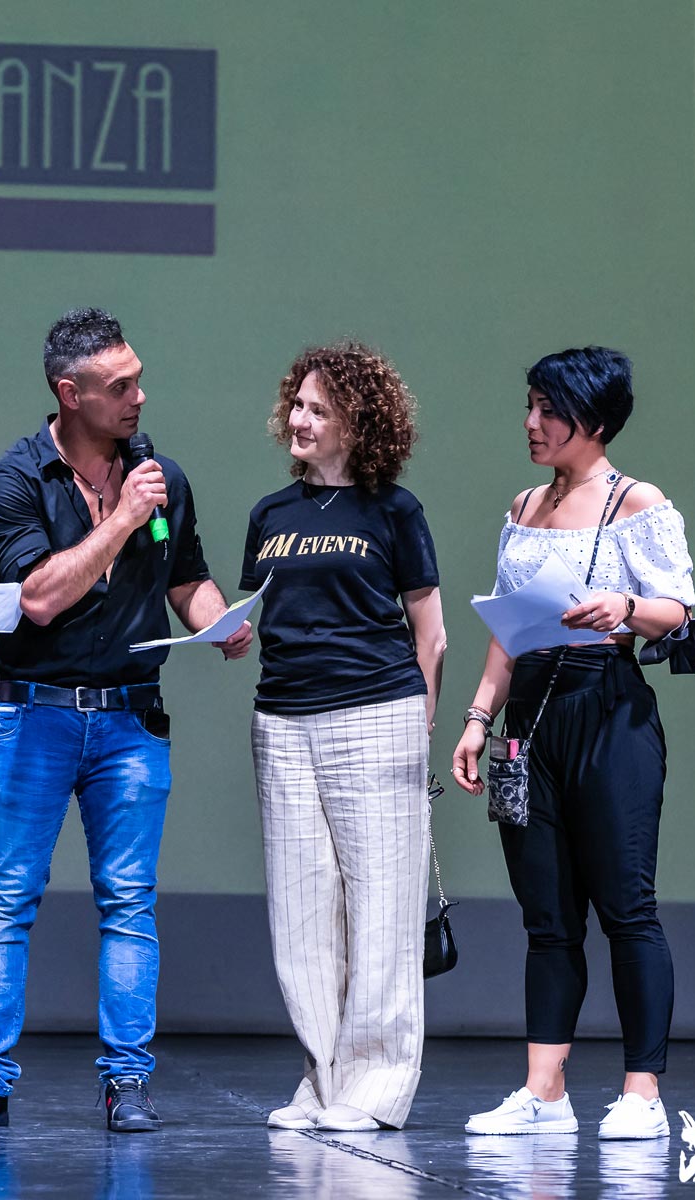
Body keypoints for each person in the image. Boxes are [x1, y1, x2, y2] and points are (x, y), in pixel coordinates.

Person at [0, 308, 251, 1133]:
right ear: (69, 394)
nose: (139, 397)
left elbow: (186, 576)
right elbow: (40, 595)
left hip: (130, 723)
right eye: (120, 386)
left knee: (130, 903)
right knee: (7, 901)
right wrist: (121, 518)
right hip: (36, 717)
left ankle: (127, 1083)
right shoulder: (13, 481)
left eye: (139, 379)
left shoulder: (160, 476)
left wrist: (219, 619)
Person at [451, 346, 695, 1140]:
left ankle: (642, 1094)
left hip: (606, 707)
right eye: (529, 406)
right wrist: (479, 717)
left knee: (627, 906)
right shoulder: (524, 505)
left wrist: (625, 605)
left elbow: (677, 609)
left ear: (593, 419)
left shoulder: (635, 501)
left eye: (549, 411)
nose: (531, 423)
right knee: (547, 917)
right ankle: (545, 1092)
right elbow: (507, 627)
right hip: (529, 716)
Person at [241, 343, 446, 1132]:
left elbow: (430, 633)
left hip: (376, 713)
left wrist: (421, 722)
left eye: (318, 409)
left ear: (358, 424)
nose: (299, 419)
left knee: (382, 910)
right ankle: (322, 1084)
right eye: (297, 404)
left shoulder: (395, 511)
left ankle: (376, 1088)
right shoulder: (270, 515)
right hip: (282, 720)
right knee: (302, 915)